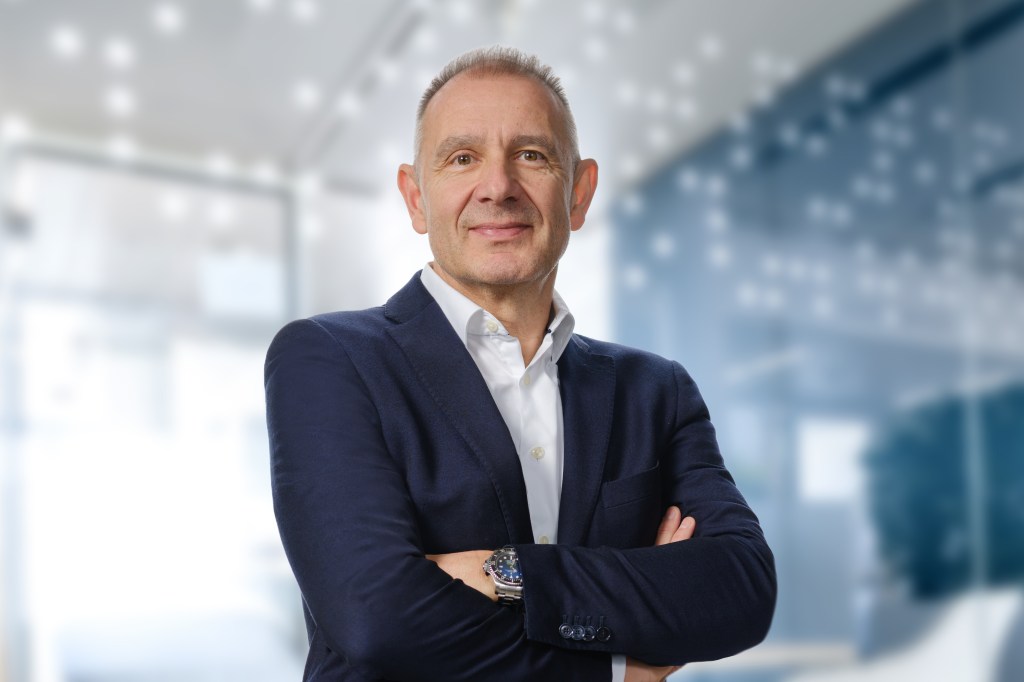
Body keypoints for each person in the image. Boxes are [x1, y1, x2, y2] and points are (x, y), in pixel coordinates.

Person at [265, 46, 776, 682]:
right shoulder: (330, 359)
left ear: (579, 193)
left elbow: (741, 590)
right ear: (416, 199)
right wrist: (618, 670)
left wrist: (504, 573)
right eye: (462, 158)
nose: (498, 187)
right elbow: (377, 620)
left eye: (531, 155)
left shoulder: (656, 391)